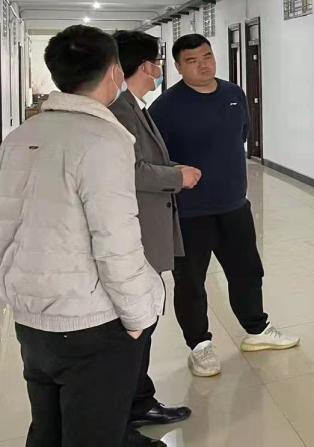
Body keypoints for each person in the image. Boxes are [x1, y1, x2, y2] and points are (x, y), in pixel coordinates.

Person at [0, 25, 166, 447]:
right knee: (94, 434)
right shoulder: (104, 140)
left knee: (47, 430)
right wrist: (139, 318)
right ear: (114, 73)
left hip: (32, 320)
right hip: (92, 322)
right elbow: (115, 241)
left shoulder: (20, 137)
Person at [149, 34, 298, 377]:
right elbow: (156, 159)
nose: (203, 65)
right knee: (191, 282)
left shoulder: (234, 94)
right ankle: (199, 346)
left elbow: (241, 135)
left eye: (207, 57)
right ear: (177, 67)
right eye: (192, 61)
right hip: (189, 211)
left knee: (247, 271)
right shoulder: (166, 107)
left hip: (234, 204)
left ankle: (257, 330)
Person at [110, 31, 199, 430]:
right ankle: (133, 405)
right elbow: (130, 170)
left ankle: (137, 398)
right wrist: (176, 177)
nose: (159, 71)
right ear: (147, 66)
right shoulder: (120, 110)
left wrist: (173, 171)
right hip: (138, 233)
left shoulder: (134, 105)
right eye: (158, 63)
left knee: (143, 319)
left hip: (146, 230)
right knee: (138, 322)